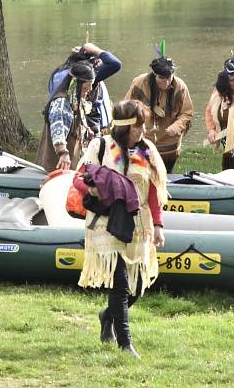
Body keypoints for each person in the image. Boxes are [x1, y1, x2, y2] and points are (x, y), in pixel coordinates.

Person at [76, 100, 167, 359]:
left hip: (138, 222)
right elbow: (78, 178)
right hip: (106, 221)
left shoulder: (147, 150)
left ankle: (107, 316)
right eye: (138, 126)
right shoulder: (101, 146)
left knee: (136, 287)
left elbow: (153, 191)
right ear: (125, 126)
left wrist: (158, 224)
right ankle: (125, 344)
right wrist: (92, 188)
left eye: (143, 125)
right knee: (119, 283)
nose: (143, 131)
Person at [37, 43, 121, 172]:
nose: (91, 89)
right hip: (57, 166)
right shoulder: (62, 102)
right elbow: (58, 129)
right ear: (77, 84)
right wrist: (63, 153)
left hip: (72, 163)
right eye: (88, 86)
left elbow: (78, 124)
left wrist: (88, 133)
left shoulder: (77, 99)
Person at [124, 52, 193, 172]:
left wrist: (177, 126)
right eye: (162, 78)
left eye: (169, 78)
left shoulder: (180, 86)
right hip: (144, 138)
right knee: (142, 175)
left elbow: (186, 113)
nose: (166, 82)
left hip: (169, 143)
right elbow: (126, 109)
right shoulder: (139, 83)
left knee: (165, 177)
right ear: (154, 75)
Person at [46, 42, 122, 136]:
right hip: (76, 128)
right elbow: (115, 64)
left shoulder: (58, 74)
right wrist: (95, 50)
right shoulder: (84, 77)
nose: (89, 88)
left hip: (59, 125)